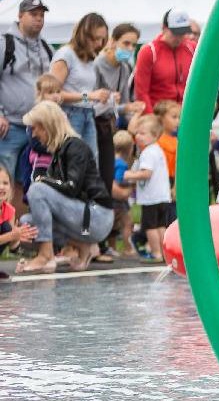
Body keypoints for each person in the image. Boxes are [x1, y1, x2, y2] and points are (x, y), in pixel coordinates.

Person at [13, 102, 113, 273]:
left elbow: (71, 187)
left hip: (98, 216)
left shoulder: (75, 146)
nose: (34, 134)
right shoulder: (58, 152)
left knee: (37, 189)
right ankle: (83, 246)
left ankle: (46, 256)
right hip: (82, 217)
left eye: (36, 128)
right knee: (27, 223)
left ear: (48, 126)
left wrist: (42, 179)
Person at [0, 0, 54, 210]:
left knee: (26, 184)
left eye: (41, 15)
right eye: (33, 14)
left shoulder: (46, 48)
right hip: (10, 127)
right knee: (4, 182)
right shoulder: (5, 44)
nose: (38, 20)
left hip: (37, 129)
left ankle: (18, 236)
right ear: (20, 15)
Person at [94, 23, 145, 208]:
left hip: (110, 126)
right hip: (92, 125)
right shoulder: (97, 64)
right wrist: (114, 104)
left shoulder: (125, 67)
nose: (130, 49)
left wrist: (131, 108)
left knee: (108, 176)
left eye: (134, 45)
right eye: (126, 43)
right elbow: (91, 102)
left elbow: (120, 105)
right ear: (113, 41)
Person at [50, 13, 109, 162]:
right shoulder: (66, 55)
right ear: (84, 35)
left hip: (87, 113)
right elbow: (52, 94)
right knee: (72, 163)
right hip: (69, 114)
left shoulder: (89, 58)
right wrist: (89, 96)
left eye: (103, 39)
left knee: (91, 164)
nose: (99, 43)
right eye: (95, 38)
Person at [122, 115, 172, 263]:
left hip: (151, 198)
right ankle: (164, 254)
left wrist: (128, 174)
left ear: (155, 135)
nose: (138, 136)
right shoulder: (157, 150)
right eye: (137, 133)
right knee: (161, 226)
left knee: (150, 227)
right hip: (162, 196)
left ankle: (156, 253)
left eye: (143, 133)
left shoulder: (148, 152)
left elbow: (146, 173)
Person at [134, 9, 196, 113]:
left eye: (182, 33)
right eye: (175, 33)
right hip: (159, 116)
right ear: (164, 28)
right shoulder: (149, 52)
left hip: (184, 115)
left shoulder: (192, 48)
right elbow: (141, 92)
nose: (179, 38)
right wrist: (152, 120)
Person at [109, 129, 136, 256]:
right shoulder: (121, 164)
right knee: (127, 223)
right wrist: (131, 185)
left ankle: (112, 247)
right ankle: (127, 247)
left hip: (111, 199)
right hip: (119, 200)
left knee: (113, 225)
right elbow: (119, 178)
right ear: (129, 149)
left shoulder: (111, 160)